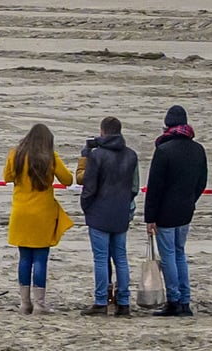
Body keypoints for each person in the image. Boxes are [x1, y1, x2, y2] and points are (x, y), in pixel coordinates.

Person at [6, 123, 74, 316]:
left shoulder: (15, 154)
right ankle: (40, 304)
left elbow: (7, 177)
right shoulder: (50, 157)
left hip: (21, 212)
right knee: (41, 260)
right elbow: (67, 180)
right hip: (43, 214)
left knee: (24, 258)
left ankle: (25, 303)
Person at [145, 107, 206, 317]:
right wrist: (190, 201)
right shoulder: (198, 149)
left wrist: (150, 217)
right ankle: (185, 300)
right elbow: (201, 182)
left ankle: (174, 300)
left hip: (165, 213)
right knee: (179, 254)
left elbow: (154, 187)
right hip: (186, 211)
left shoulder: (163, 150)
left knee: (169, 256)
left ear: (167, 125)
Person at [83, 115, 142, 316]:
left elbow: (89, 186)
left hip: (99, 211)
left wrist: (86, 206)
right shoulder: (131, 155)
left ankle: (101, 300)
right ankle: (123, 302)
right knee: (121, 258)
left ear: (102, 131)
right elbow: (135, 187)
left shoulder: (97, 155)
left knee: (101, 259)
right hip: (121, 212)